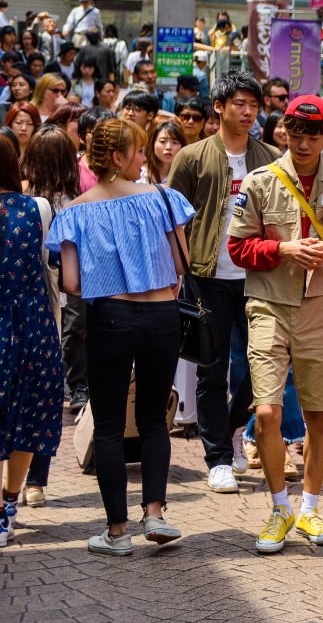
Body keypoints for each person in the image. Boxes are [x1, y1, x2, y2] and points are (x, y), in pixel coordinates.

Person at [226, 94, 323, 554]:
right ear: (284, 132)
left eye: (314, 134)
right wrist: (282, 250)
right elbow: (237, 249)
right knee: (267, 412)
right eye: (297, 133)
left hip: (320, 309)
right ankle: (278, 508)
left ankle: (309, 506)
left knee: (316, 411)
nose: (305, 142)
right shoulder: (260, 182)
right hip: (268, 304)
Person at [47, 119, 194, 555]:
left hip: (110, 317)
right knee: (153, 419)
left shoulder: (75, 211)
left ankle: (117, 532)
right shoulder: (164, 199)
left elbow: (71, 282)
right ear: (117, 157)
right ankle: (155, 514)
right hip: (163, 318)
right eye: (139, 152)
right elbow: (181, 265)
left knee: (109, 426)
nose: (144, 159)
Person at [167, 70, 278, 494]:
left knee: (262, 364)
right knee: (212, 370)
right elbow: (172, 217)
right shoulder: (192, 157)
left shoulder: (269, 157)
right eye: (239, 104)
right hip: (207, 277)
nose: (248, 112)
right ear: (219, 107)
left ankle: (233, 427)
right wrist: (180, 269)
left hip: (258, 276)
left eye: (254, 105)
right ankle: (217, 458)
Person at [0, 135, 63, 547]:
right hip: (32, 324)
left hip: (24, 323)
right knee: (24, 417)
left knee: (21, 417)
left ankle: (4, 510)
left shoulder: (37, 206)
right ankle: (7, 506)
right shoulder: (35, 208)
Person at [17, 125, 81, 506]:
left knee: (21, 389)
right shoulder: (76, 201)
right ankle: (36, 481)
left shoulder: (20, 199)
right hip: (54, 303)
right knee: (44, 391)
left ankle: (24, 479)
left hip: (24, 304)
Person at [77, 107, 115, 194]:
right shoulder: (73, 169)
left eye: (108, 131)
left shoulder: (123, 165)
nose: (102, 137)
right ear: (82, 137)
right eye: (95, 131)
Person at [146, 121, 185, 185]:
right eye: (162, 141)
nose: (168, 147)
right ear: (153, 143)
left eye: (175, 142)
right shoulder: (140, 174)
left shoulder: (185, 178)